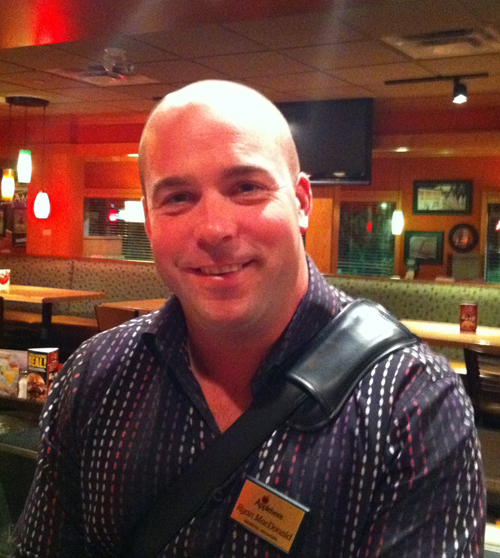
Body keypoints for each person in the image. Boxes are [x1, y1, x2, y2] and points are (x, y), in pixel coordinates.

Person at [12, 80, 485, 557]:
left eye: (246, 188)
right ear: (150, 222)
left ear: (301, 202)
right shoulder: (93, 377)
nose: (214, 229)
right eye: (178, 197)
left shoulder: (415, 406)